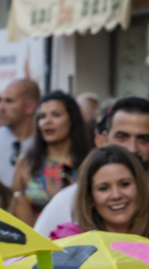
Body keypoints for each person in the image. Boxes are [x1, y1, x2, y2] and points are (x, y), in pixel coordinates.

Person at [35, 97, 149, 235]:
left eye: (144, 139)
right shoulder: (64, 203)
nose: (132, 148)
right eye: (122, 137)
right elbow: (29, 257)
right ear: (101, 140)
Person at [10, 92, 91, 224]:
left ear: (71, 120)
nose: (47, 121)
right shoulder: (26, 162)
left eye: (56, 115)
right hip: (35, 240)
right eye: (42, 117)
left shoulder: (89, 161)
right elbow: (13, 207)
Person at [0, 78, 40, 186]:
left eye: (9, 101)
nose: (1, 108)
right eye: (0, 100)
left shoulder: (45, 143)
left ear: (29, 106)